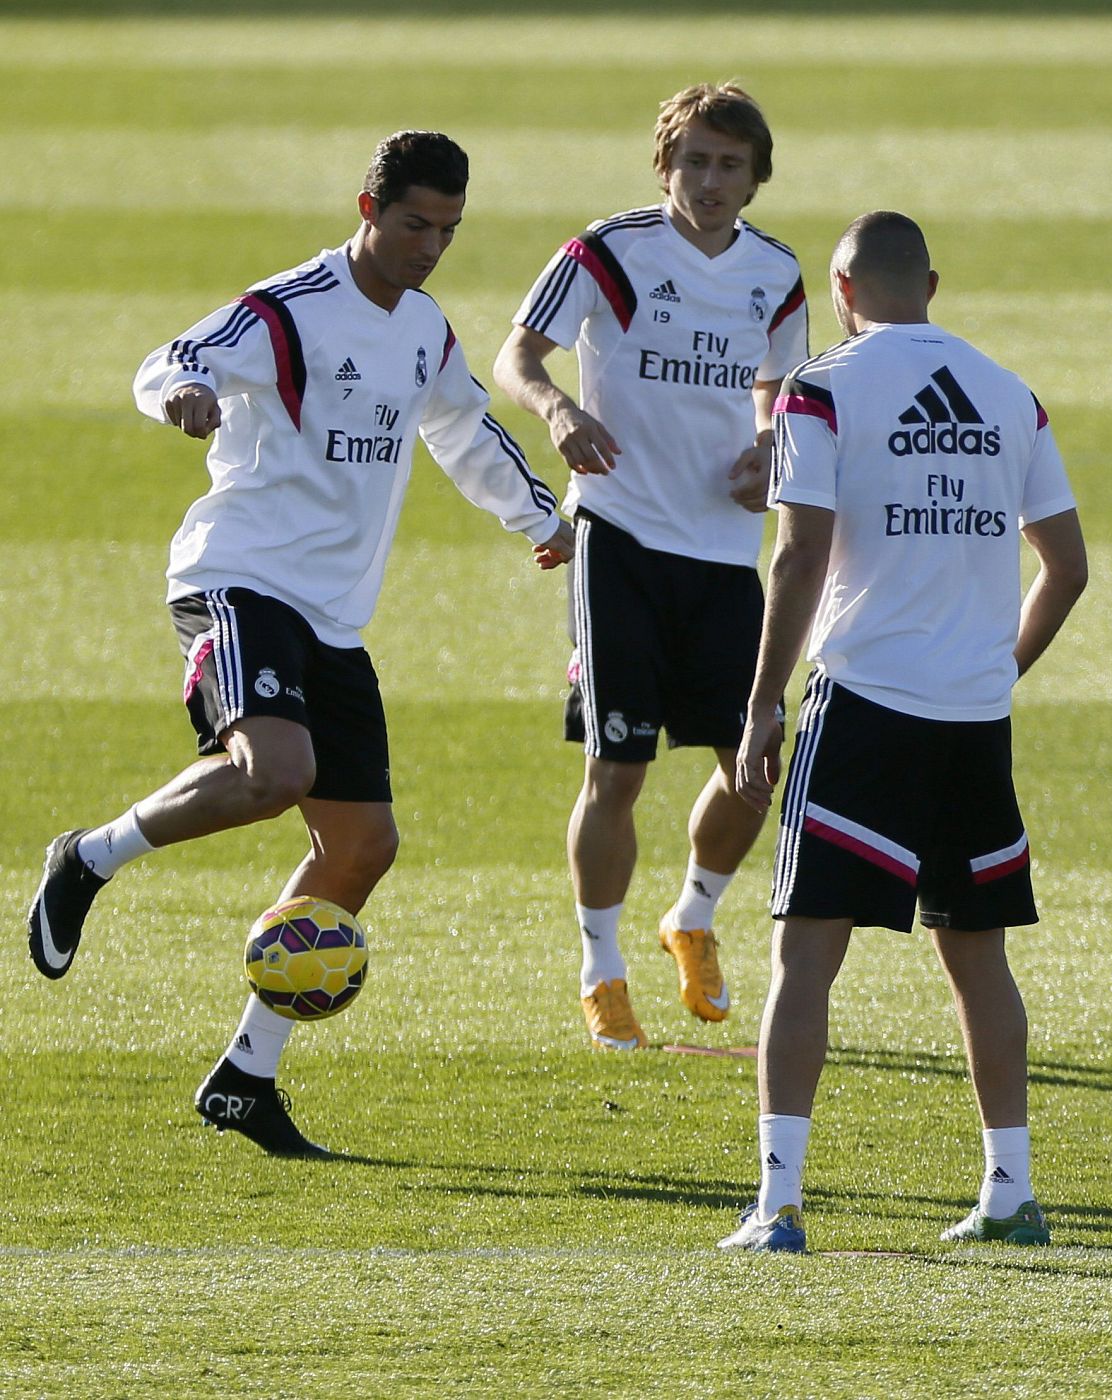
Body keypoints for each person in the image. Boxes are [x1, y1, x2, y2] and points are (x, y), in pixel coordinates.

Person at [27, 129, 573, 1158]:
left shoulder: (424, 329)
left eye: (448, 231)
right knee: (277, 771)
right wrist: (181, 394)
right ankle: (89, 857)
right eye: (413, 224)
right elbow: (171, 360)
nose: (429, 248)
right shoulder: (287, 308)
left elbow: (461, 427)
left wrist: (538, 517)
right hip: (239, 577)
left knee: (363, 846)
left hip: (331, 614)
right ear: (367, 210)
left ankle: (246, 1074)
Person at [717, 211, 1088, 1253]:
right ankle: (1009, 1190)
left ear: (840, 290)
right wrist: (995, 667)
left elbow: (798, 555)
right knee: (978, 959)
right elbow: (1066, 568)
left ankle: (778, 1203)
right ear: (929, 283)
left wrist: (761, 702)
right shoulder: (1009, 394)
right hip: (973, 720)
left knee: (804, 956)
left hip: (866, 706)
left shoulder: (821, 387)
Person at [493, 83, 807, 1050]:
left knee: (754, 766)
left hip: (724, 551)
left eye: (729, 165)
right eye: (694, 160)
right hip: (619, 538)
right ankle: (601, 967)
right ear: (664, 165)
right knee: (616, 768)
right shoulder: (607, 251)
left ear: (754, 177)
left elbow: (778, 389)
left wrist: (768, 446)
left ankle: (693, 917)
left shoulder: (777, 274)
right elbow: (516, 356)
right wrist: (559, 410)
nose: (709, 180)